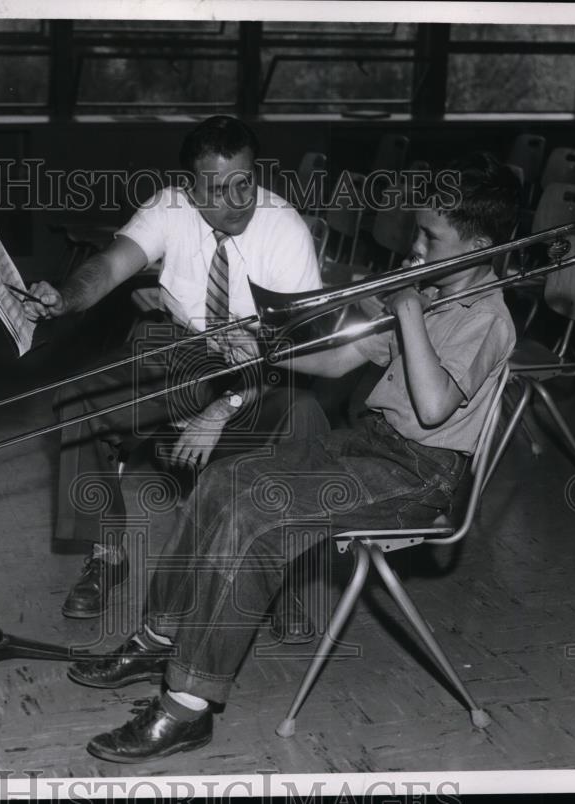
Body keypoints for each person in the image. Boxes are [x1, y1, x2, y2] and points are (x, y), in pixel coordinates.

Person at [66, 151, 520, 763]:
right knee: (225, 479)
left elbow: (435, 407)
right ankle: (159, 635)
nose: (414, 246)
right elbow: (337, 361)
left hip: (419, 473)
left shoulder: (487, 316)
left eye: (428, 237)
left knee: (261, 515)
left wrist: (407, 306)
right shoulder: (433, 291)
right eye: (416, 231)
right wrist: (258, 352)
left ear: (478, 244)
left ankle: (189, 705)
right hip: (372, 444)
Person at [24, 116, 323, 627]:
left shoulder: (285, 229)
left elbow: (301, 353)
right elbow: (111, 266)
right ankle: (107, 553)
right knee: (76, 401)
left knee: (304, 415)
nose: (237, 199)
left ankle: (281, 571)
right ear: (191, 189)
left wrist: (223, 408)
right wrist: (65, 297)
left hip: (265, 365)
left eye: (244, 182)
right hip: (179, 348)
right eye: (217, 189)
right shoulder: (169, 206)